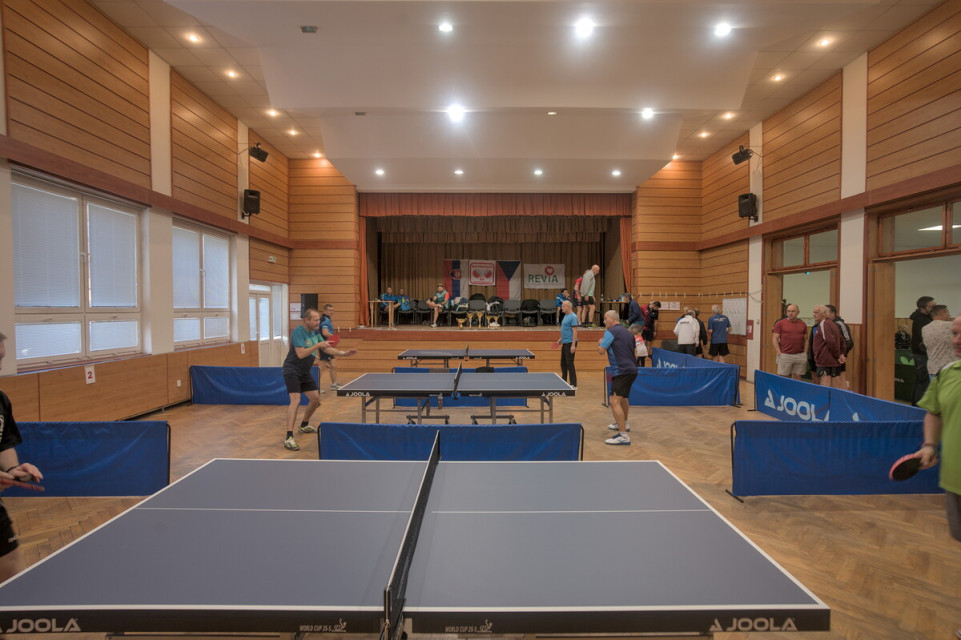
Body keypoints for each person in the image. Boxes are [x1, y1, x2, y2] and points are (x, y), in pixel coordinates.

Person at [0, 332, 44, 586]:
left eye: (1, 358)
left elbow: (4, 443)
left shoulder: (0, 399)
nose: (0, 366)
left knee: (11, 572)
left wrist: (13, 468)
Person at [915, 314, 961, 549]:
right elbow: (934, 412)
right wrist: (930, 445)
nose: (957, 340)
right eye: (954, 334)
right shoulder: (947, 373)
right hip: (954, 480)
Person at [281, 308, 355, 451]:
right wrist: (317, 345)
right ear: (306, 320)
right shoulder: (298, 332)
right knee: (295, 400)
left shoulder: (315, 332)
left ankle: (304, 425)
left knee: (315, 400)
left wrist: (344, 353)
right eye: (315, 320)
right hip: (292, 370)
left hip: (304, 371)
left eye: (318, 320)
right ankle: (289, 437)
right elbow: (301, 354)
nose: (318, 322)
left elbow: (326, 348)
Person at [598, 310, 638, 445]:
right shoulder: (628, 333)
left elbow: (601, 351)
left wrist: (600, 342)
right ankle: (624, 424)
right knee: (623, 398)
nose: (604, 321)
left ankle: (623, 436)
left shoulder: (610, 332)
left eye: (605, 318)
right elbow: (636, 354)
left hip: (621, 370)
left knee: (614, 401)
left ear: (612, 319)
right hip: (632, 370)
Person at [812, 305, 845, 388]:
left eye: (816, 312)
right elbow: (842, 341)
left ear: (824, 313)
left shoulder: (824, 324)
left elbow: (831, 342)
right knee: (833, 386)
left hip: (825, 361)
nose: (814, 315)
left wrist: (838, 355)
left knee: (825, 386)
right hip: (831, 360)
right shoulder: (832, 324)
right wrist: (841, 354)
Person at [911, 295, 936, 405]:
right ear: (923, 308)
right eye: (932, 306)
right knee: (923, 382)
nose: (934, 308)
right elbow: (925, 338)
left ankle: (915, 406)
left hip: (920, 354)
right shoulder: (922, 320)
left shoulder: (924, 319)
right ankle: (919, 407)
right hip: (921, 355)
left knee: (920, 381)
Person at [772, 303, 808, 380]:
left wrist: (805, 353)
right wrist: (779, 352)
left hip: (800, 355)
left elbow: (806, 340)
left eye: (793, 311)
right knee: (783, 377)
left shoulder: (803, 324)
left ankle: (795, 388)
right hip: (785, 354)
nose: (790, 313)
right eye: (788, 311)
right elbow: (775, 339)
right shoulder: (780, 323)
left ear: (798, 312)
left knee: (797, 376)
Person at [923, 305, 954, 380]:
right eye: (948, 313)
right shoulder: (950, 326)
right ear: (943, 312)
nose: (949, 315)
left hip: (933, 369)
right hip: (949, 369)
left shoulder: (925, 328)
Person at [826, 305, 853, 389]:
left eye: (826, 312)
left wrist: (841, 355)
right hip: (828, 359)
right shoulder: (825, 324)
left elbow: (849, 342)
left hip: (839, 359)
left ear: (833, 314)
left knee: (839, 381)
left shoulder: (840, 324)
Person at [554, 299, 578, 390]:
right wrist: (560, 340)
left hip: (570, 343)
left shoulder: (573, 317)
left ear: (568, 307)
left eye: (563, 306)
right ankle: (564, 381)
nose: (562, 308)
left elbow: (575, 331)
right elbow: (565, 330)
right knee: (563, 363)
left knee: (570, 364)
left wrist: (573, 345)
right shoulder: (565, 316)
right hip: (565, 342)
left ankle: (574, 384)